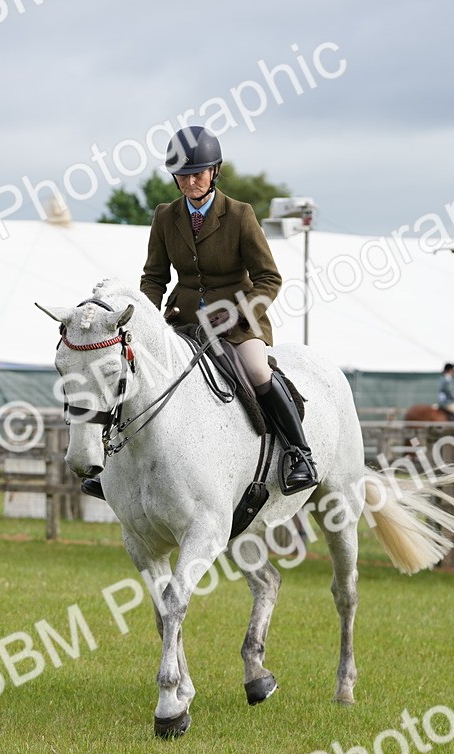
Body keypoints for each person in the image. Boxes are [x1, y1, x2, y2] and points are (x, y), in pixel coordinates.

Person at [82, 126, 317, 500]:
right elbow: (155, 277)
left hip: (238, 323)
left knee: (257, 370)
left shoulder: (240, 215)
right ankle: (111, 468)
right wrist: (143, 319)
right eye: (183, 175)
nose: (190, 181)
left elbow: (269, 277)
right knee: (137, 374)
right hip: (184, 320)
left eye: (198, 173)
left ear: (214, 172)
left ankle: (299, 454)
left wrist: (240, 314)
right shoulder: (165, 216)